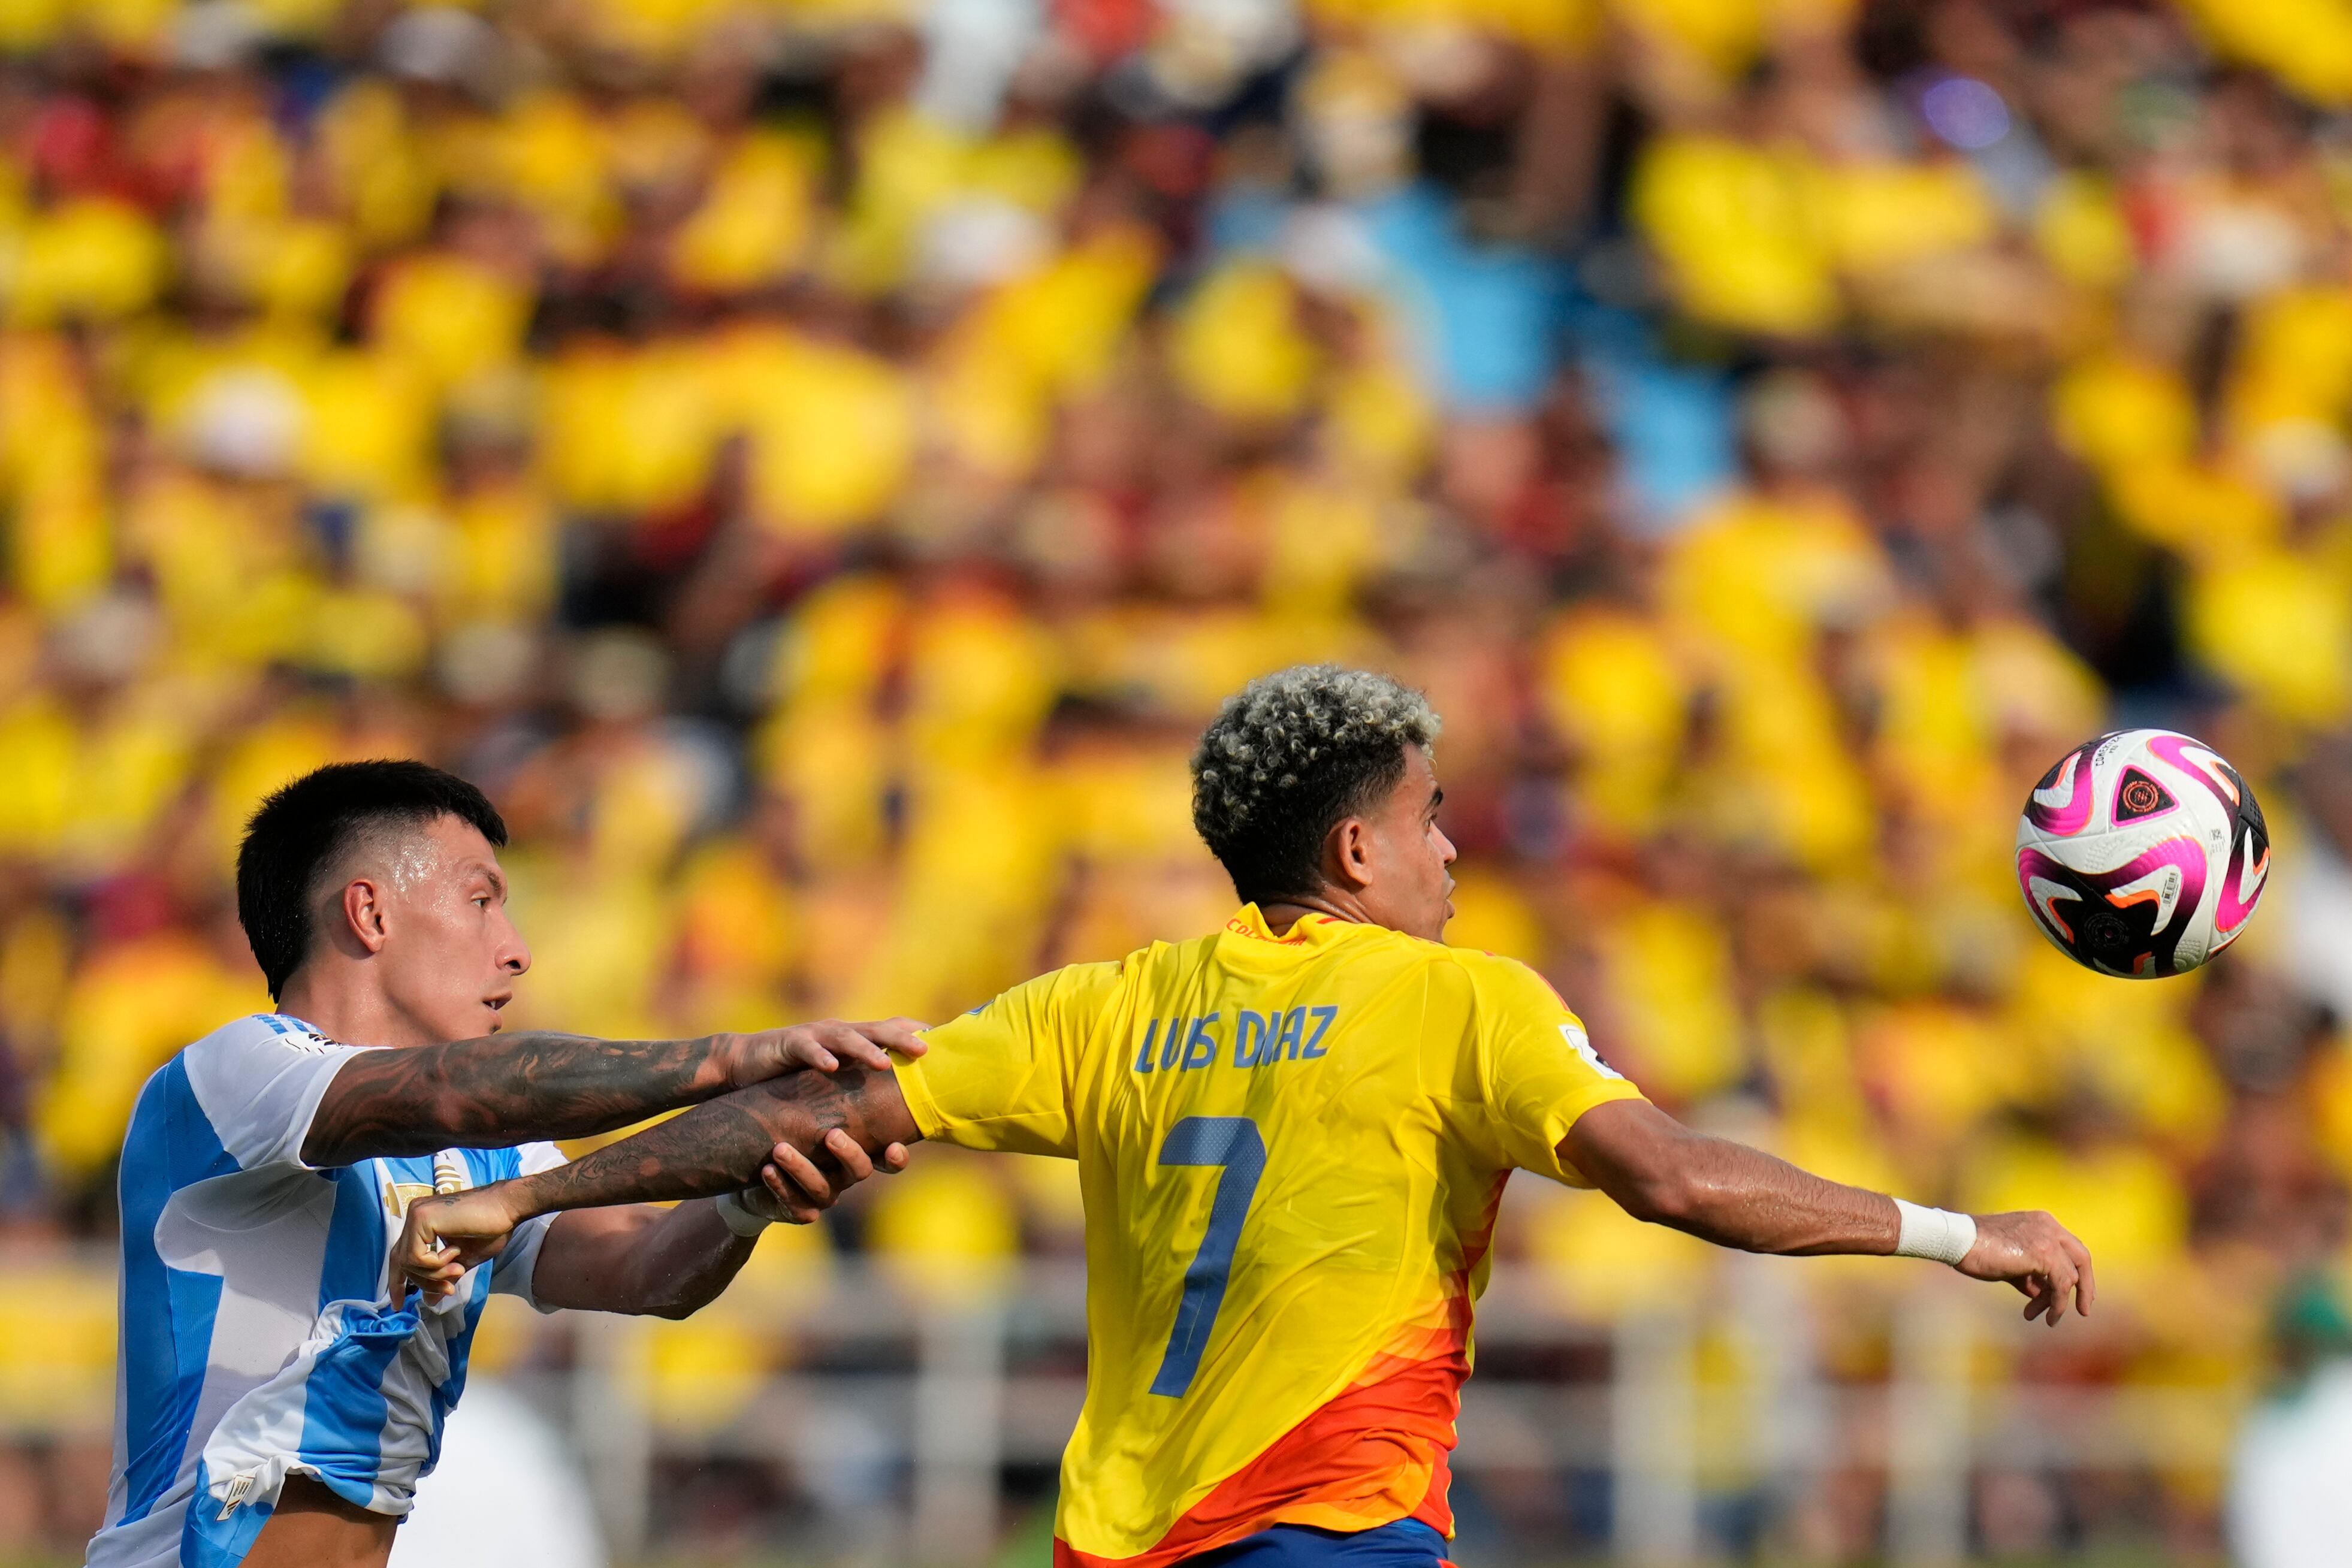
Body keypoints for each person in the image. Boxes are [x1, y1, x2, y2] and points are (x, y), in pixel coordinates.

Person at [397, 666, 2096, 1568]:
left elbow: (808, 1102)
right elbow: (1672, 1181)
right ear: (1355, 850)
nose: (1452, 853)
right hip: (1328, 1530)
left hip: (1117, 1540)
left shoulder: (1107, 1003)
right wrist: (1958, 1231)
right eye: (1429, 821)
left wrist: (510, 1207)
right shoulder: (1464, 999)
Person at [86, 760, 922, 1568]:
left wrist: (751, 1193)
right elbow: (449, 1094)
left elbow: (644, 1269)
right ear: (370, 914)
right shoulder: (232, 1075)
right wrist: (728, 1059)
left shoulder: (489, 1153)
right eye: (481, 900)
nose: (517, 950)